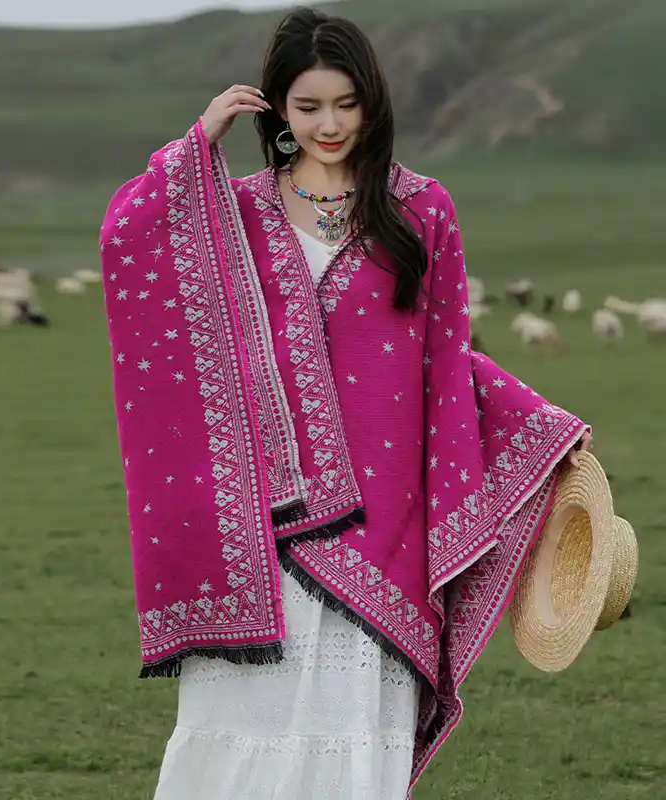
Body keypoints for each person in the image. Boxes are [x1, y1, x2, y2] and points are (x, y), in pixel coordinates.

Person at [98, 7, 592, 799]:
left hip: (390, 510)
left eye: (346, 103)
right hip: (268, 524)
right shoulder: (238, 212)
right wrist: (197, 145)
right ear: (276, 108)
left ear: (373, 102)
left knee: (353, 727)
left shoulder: (423, 208)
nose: (329, 125)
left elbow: (447, 354)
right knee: (250, 721)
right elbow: (129, 240)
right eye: (307, 106)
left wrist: (539, 429)